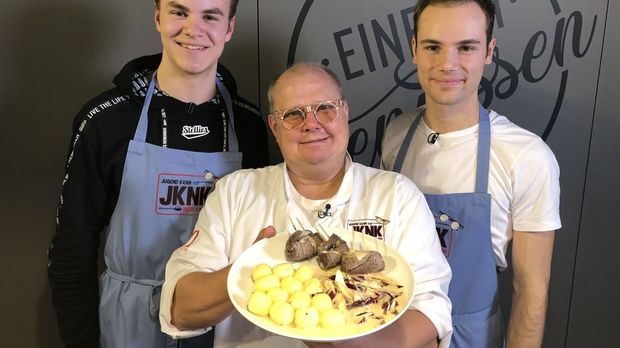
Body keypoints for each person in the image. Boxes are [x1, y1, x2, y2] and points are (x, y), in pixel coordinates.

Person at [159, 62, 453, 347]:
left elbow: (431, 316)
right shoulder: (234, 193)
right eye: (293, 114)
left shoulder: (397, 196)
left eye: (325, 108)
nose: (311, 124)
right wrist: (246, 270)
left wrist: (349, 345)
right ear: (274, 127)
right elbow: (180, 310)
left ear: (345, 112)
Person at [47, 0, 269, 347]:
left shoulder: (250, 125)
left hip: (222, 321)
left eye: (210, 16)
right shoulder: (105, 121)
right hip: (128, 325)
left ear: (229, 28)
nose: (193, 29)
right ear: (157, 17)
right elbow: (71, 251)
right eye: (179, 12)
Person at [381, 1, 561, 347]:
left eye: (466, 47)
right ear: (414, 49)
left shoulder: (526, 156)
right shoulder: (395, 136)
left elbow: (531, 293)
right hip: (397, 331)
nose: (448, 64)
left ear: (489, 52)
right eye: (433, 46)